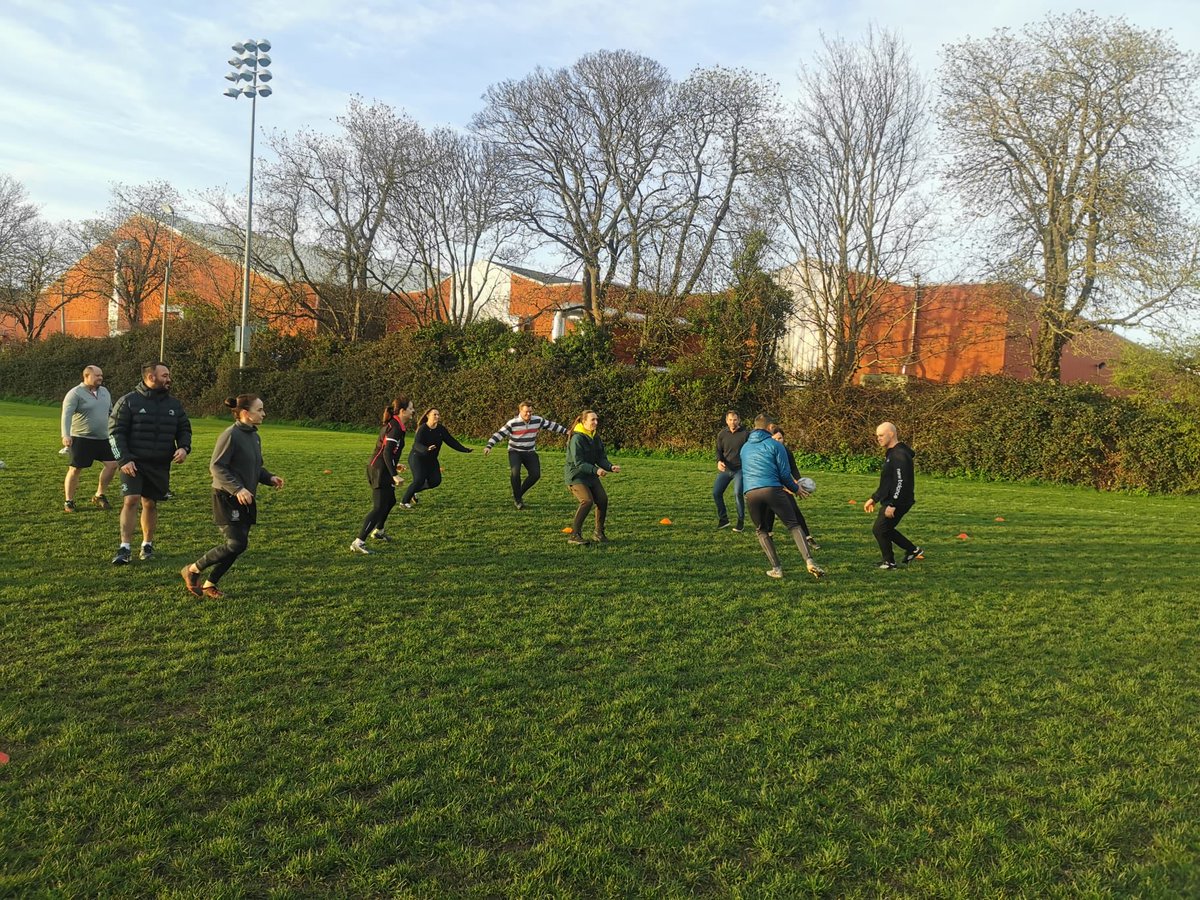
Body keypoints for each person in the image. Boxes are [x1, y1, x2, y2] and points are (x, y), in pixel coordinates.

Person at [181, 394, 283, 598]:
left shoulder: (254, 435)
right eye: (260, 409)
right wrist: (237, 489)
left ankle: (210, 584)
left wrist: (269, 477)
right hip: (227, 497)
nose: (264, 413)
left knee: (238, 545)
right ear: (245, 413)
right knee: (236, 544)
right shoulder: (230, 435)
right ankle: (192, 569)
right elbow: (216, 466)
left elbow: (256, 467)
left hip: (245, 497)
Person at [107, 362, 192, 565]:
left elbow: (184, 429)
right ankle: (125, 547)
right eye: (165, 375)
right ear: (151, 377)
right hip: (133, 462)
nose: (168, 379)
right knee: (131, 500)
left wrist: (183, 447)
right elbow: (114, 433)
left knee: (150, 503)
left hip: (160, 464)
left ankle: (147, 544)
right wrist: (123, 459)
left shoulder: (174, 404)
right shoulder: (128, 401)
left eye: (168, 375)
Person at [740, 414, 824, 580]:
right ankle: (809, 561)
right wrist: (796, 489)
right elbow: (785, 474)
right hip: (772, 489)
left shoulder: (744, 448)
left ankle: (776, 568)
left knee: (762, 531)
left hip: (751, 493)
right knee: (793, 525)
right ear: (770, 427)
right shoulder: (776, 445)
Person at [351, 396, 413, 554]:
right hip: (378, 470)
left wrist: (395, 465)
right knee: (379, 507)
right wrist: (394, 474)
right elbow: (386, 452)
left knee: (390, 500)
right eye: (411, 408)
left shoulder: (397, 425)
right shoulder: (395, 427)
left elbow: (388, 451)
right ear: (402, 411)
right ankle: (358, 542)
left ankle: (378, 531)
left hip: (383, 468)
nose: (413, 411)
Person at [484, 401, 569, 509]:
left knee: (535, 475)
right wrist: (489, 445)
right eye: (526, 412)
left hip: (530, 451)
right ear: (520, 411)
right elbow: (500, 434)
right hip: (515, 451)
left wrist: (566, 431)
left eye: (530, 412)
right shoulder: (513, 423)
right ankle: (518, 500)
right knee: (515, 473)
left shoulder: (537, 420)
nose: (528, 414)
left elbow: (552, 425)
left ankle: (518, 494)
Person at [863, 421, 923, 570]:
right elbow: (888, 482)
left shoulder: (900, 455)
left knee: (879, 529)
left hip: (899, 500)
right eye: (877, 436)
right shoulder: (891, 453)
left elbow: (901, 481)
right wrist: (874, 498)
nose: (878, 438)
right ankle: (911, 550)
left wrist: (893, 504)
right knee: (884, 529)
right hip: (893, 499)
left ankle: (890, 562)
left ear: (891, 434)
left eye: (881, 435)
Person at [60, 365, 118, 512]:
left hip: (103, 438)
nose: (100, 378)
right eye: (97, 375)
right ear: (86, 376)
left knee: (112, 465)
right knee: (75, 469)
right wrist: (65, 434)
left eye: (101, 375)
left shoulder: (104, 392)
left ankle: (99, 494)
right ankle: (69, 501)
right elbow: (66, 415)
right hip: (82, 438)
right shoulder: (75, 393)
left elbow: (111, 412)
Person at [563, 409, 621, 545]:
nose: (596, 422)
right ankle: (574, 535)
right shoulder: (577, 438)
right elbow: (579, 463)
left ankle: (599, 533)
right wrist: (596, 470)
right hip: (576, 475)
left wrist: (610, 467)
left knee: (602, 500)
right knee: (587, 501)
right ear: (583, 422)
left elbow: (601, 457)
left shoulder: (595, 437)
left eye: (596, 419)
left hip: (590, 475)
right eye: (592, 420)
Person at [400, 408, 472, 506]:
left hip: (431, 459)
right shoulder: (423, 428)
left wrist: (464, 449)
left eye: (438, 415)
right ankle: (404, 502)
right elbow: (416, 444)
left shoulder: (441, 429)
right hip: (417, 457)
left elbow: (451, 441)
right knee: (419, 479)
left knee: (435, 481)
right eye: (435, 414)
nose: (437, 416)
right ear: (428, 416)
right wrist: (426, 449)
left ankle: (413, 491)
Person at [768, 424, 819, 551]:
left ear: (783, 438)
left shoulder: (787, 452)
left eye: (779, 438)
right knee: (768, 511)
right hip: (771, 485)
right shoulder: (768, 452)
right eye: (774, 439)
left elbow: (793, 468)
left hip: (786, 485)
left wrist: (798, 481)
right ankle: (768, 536)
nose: (777, 441)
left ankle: (808, 537)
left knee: (794, 511)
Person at [713, 410, 749, 531]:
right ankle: (723, 519)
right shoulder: (722, 434)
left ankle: (740, 521)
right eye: (730, 420)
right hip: (726, 469)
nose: (732, 422)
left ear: (739, 420)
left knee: (737, 493)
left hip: (740, 470)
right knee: (716, 493)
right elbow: (718, 450)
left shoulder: (745, 434)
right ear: (726, 421)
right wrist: (719, 461)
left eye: (735, 420)